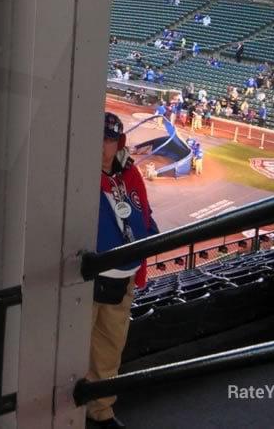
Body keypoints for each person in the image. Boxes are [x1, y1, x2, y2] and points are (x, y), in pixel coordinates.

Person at [89, 113, 158, 429]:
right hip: (87, 278)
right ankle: (58, 414)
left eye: (110, 140)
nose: (104, 146)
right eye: (100, 138)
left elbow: (143, 212)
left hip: (124, 276)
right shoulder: (77, 176)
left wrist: (150, 235)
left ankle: (100, 411)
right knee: (69, 350)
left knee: (109, 350)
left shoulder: (130, 173)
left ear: (119, 143)